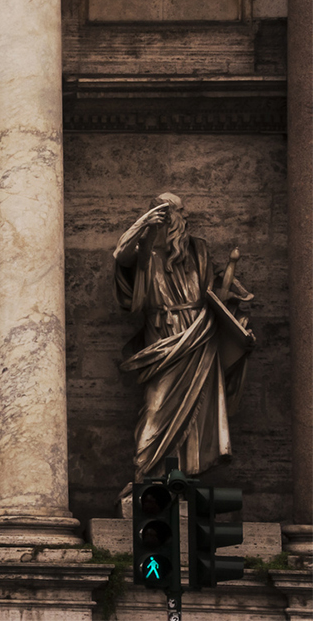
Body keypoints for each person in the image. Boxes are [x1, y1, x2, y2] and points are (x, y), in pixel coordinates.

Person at [114, 192, 254, 480]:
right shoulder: (146, 253)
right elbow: (121, 257)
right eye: (181, 210)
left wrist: (237, 326)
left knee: (198, 411)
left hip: (200, 335)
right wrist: (142, 225)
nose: (187, 216)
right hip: (163, 338)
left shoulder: (198, 251)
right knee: (157, 406)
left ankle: (182, 481)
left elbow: (217, 297)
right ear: (165, 215)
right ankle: (147, 477)